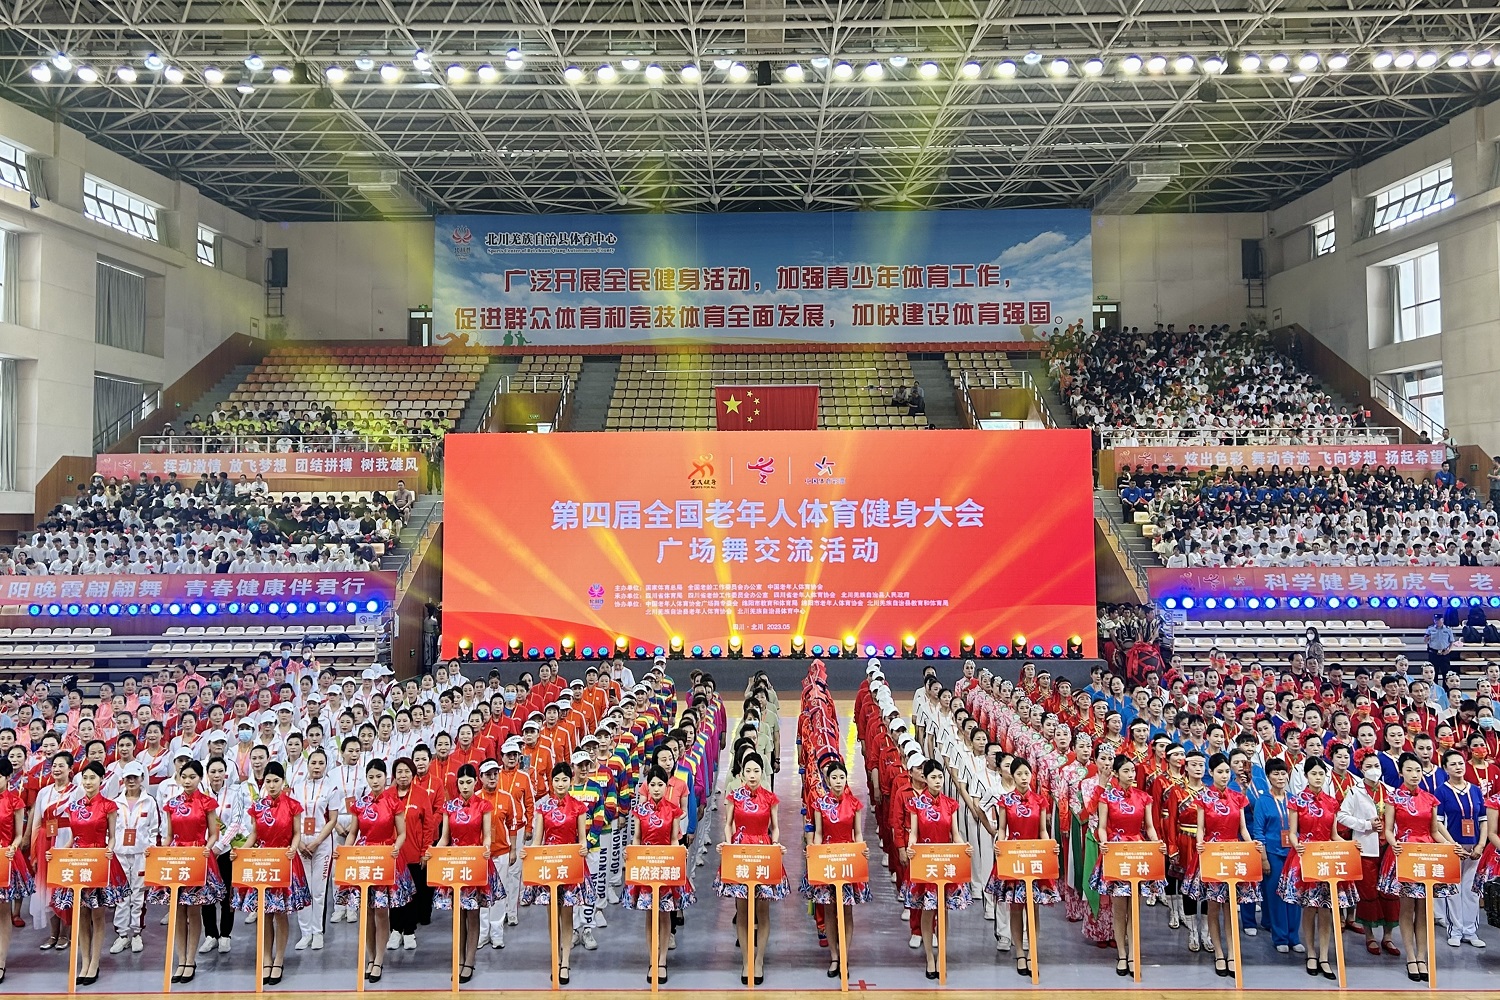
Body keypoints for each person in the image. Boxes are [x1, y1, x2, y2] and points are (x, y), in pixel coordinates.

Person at [1379, 752, 1462, 981]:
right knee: (1406, 909)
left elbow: (1435, 831)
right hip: (1405, 854)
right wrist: (1394, 844)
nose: (1414, 774)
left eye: (1418, 770)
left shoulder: (1430, 799)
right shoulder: (1393, 797)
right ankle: (1410, 958)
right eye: (1409, 770)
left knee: (1424, 910)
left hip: (1426, 855)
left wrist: (1451, 845)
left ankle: (1423, 956)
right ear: (1401, 772)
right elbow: (1388, 829)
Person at [232, 761, 310, 986]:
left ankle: (279, 959)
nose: (272, 785)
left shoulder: (293, 805)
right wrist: (241, 851)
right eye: (268, 781)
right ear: (263, 783)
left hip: (285, 861)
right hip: (263, 864)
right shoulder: (258, 806)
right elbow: (254, 835)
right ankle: (265, 958)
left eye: (276, 780)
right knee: (264, 913)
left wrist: (293, 848)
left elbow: (297, 833)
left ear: (283, 781)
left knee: (280, 913)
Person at [51, 761, 128, 987]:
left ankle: (95, 962)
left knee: (97, 915)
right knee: (81, 915)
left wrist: (109, 850)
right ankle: (84, 962)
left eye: (92, 778)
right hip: (77, 863)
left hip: (99, 861)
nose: (88, 782)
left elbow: (112, 837)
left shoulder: (108, 806)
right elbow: (71, 838)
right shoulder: (74, 807)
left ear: (101, 781)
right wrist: (56, 853)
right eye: (85, 778)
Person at [714, 750, 788, 985]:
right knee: (743, 910)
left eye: (757, 771)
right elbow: (728, 825)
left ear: (762, 773)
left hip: (763, 852)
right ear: (742, 773)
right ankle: (746, 960)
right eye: (748, 771)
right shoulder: (734, 796)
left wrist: (775, 844)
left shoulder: (770, 798)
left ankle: (759, 959)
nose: (753, 775)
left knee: (763, 911)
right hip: (740, 853)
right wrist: (727, 843)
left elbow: (775, 827)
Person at [337, 759, 412, 985]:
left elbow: (401, 834)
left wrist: (394, 850)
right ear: (367, 779)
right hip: (363, 861)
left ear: (385, 778)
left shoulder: (394, 803)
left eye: (379, 776)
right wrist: (346, 851)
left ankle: (379, 959)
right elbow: (353, 832)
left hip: (385, 860)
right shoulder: (360, 804)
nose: (375, 780)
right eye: (371, 777)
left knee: (381, 912)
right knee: (365, 913)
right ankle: (370, 957)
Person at [1184, 752, 1259, 978]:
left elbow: (1243, 829)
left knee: (1231, 909)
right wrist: (1199, 846)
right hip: (1212, 855)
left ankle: (1233, 954)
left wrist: (1251, 844)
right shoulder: (1203, 798)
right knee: (1214, 908)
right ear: (1211, 773)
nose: (1225, 775)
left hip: (1234, 856)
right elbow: (1201, 829)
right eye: (1220, 772)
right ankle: (1218, 953)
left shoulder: (1238, 797)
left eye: (1227, 771)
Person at [150, 758, 225, 982]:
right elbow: (169, 836)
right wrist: (159, 852)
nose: (188, 780)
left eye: (193, 777)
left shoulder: (207, 802)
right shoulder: (172, 804)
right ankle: (180, 959)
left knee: (193, 911)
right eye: (184, 777)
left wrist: (206, 849)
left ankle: (190, 960)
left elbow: (214, 833)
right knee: (177, 912)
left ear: (200, 778)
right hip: (177, 859)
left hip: (197, 857)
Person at [1280, 757, 1353, 979]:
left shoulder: (1332, 802)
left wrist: (1349, 845)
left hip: (1327, 858)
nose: (1318, 777)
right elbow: (1292, 832)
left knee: (1326, 909)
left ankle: (1323, 955)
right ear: (1306, 776)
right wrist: (1297, 845)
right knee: (1309, 908)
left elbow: (1333, 835)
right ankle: (1310, 952)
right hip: (1305, 857)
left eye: (1321, 774)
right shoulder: (1297, 801)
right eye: (1314, 774)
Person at [985, 757, 1058, 978]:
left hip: (1034, 858)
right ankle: (1019, 953)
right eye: (1020, 774)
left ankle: (1032, 951)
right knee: (1015, 908)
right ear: (1012, 776)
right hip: (1014, 858)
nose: (1024, 778)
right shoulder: (1005, 801)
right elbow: (1002, 830)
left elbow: (1043, 831)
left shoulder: (1040, 801)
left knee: (1033, 908)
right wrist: (999, 845)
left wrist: (1049, 847)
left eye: (1027, 774)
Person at [1091, 755, 1162, 978]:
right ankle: (1122, 954)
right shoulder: (1106, 797)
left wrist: (1157, 842)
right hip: (1116, 852)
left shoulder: (1144, 797)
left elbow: (1149, 827)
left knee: (1135, 910)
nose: (1131, 775)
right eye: (1126, 771)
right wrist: (1104, 842)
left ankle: (1133, 953)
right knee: (1119, 909)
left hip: (1138, 853)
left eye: (1133, 771)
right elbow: (1102, 827)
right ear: (1116, 773)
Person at [520, 762, 590, 987]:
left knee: (567, 916)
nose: (560, 784)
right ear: (552, 782)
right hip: (548, 867)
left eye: (564, 780)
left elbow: (582, 838)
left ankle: (565, 962)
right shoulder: (543, 808)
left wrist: (584, 847)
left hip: (569, 866)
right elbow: (538, 840)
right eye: (557, 780)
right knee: (552, 917)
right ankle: (555, 957)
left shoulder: (578, 807)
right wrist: (528, 853)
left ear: (571, 781)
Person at [431, 763, 501, 984]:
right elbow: (444, 838)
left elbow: (487, 835)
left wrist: (487, 848)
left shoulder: (484, 806)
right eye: (461, 782)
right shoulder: (449, 807)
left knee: (473, 914)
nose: (464, 786)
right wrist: (434, 852)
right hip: (454, 865)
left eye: (468, 782)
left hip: (476, 863)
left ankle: (470, 960)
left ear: (475, 782)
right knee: (457, 914)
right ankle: (458, 959)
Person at [900, 758, 971, 981]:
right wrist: (910, 847)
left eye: (940, 777)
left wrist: (963, 848)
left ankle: (942, 956)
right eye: (934, 777)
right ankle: (930, 957)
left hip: (946, 863)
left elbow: (955, 834)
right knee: (927, 910)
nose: (938, 781)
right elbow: (913, 833)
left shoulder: (950, 804)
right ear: (926, 779)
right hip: (925, 863)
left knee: (944, 911)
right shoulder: (916, 804)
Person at [624, 764, 692, 984]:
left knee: (664, 915)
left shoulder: (673, 810)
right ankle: (652, 959)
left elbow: (674, 839)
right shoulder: (639, 811)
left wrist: (679, 853)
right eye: (651, 784)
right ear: (646, 786)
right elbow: (636, 838)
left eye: (660, 784)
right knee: (649, 915)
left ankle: (662, 960)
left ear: (666, 786)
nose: (655, 788)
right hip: (645, 868)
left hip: (666, 868)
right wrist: (631, 855)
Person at [805, 758, 867, 979]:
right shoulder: (820, 804)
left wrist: (861, 849)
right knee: (830, 910)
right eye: (834, 778)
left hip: (849, 859)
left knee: (847, 910)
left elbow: (857, 833)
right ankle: (834, 956)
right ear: (827, 781)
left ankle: (845, 956)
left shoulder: (855, 804)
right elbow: (819, 834)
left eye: (842, 777)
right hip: (828, 860)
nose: (839, 781)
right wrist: (815, 852)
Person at [1431, 749, 1486, 947]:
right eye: (1453, 764)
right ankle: (1455, 930)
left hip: (1474, 847)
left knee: (1471, 890)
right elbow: (1438, 823)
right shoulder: (1441, 791)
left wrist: (1480, 844)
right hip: (1452, 847)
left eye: (1461, 763)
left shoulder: (1475, 789)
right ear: (1445, 768)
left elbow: (1483, 820)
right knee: (1453, 889)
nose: (1458, 767)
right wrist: (1452, 846)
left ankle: (1471, 932)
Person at [291, 747, 340, 951]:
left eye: (321, 763)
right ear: (307, 765)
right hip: (300, 844)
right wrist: (300, 842)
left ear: (326, 766)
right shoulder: (296, 787)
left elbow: (333, 819)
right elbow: (292, 818)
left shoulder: (332, 788)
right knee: (304, 890)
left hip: (322, 845)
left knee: (319, 891)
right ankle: (305, 933)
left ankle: (318, 931)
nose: (317, 767)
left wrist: (317, 841)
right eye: (313, 763)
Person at [107, 761, 158, 957]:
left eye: (135, 777)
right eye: (128, 777)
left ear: (141, 779)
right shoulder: (114, 802)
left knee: (138, 895)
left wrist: (150, 849)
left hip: (140, 854)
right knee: (121, 895)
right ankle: (122, 934)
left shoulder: (149, 801)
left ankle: (136, 932)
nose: (131, 781)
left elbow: (155, 829)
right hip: (119, 853)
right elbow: (109, 829)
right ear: (123, 779)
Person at [1250, 758, 1300, 953]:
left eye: (1283, 773)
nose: (1280, 777)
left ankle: (1294, 936)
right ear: (1268, 777)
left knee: (1294, 895)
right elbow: (1259, 831)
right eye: (1276, 773)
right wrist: (1263, 858)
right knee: (1277, 896)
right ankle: (1280, 937)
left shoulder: (1294, 799)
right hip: (1272, 853)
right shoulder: (1263, 801)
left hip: (1293, 853)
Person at [0, 756, 34, 985]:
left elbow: (20, 835)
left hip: (5, 859)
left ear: (8, 777)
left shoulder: (15, 801)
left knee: (4, 913)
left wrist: (12, 847)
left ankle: (1, 961)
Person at [1425, 615, 1456, 684]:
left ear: (1443, 620)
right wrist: (1426, 638)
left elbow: (1452, 642)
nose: (1437, 621)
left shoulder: (1448, 629)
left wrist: (1449, 650)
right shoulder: (1430, 629)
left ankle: (1445, 690)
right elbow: (1425, 641)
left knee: (1446, 673)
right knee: (1433, 673)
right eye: (1436, 620)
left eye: (1439, 620)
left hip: (1444, 653)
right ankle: (1434, 689)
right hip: (1433, 653)